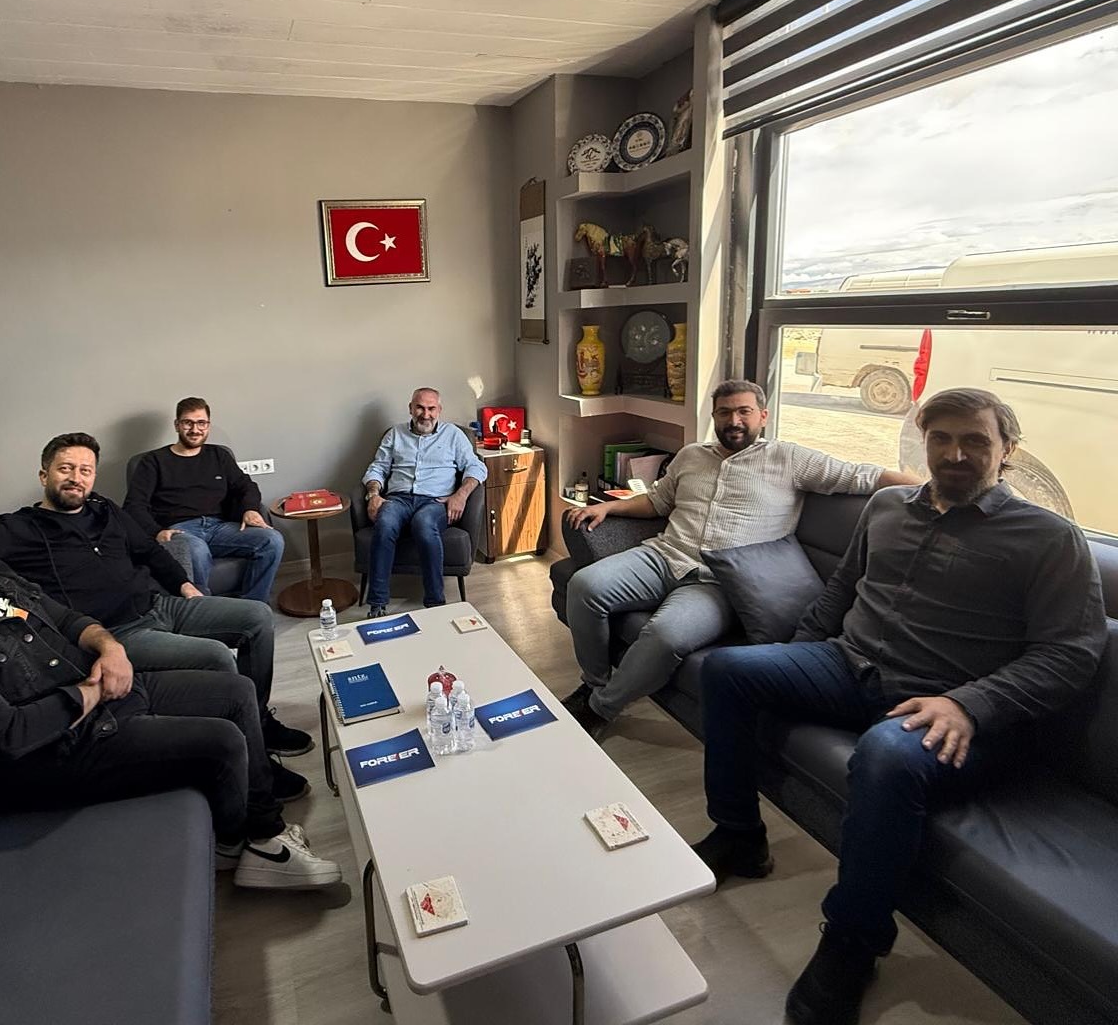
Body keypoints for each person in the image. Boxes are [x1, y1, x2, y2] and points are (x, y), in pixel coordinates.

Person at [690, 388, 1106, 1025]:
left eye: (975, 441)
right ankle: (740, 836)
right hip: (849, 666)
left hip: (952, 704)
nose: (955, 454)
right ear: (924, 443)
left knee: (885, 753)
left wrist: (971, 704)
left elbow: (1070, 654)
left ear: (1008, 451)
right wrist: (792, 659)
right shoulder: (886, 507)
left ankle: (853, 941)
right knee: (727, 669)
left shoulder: (1049, 538)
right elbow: (841, 591)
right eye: (941, 439)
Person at [0, 485, 341, 891]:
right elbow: (8, 736)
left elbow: (63, 617)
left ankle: (260, 825)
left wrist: (109, 648)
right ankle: (247, 844)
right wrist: (93, 692)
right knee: (222, 740)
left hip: (99, 692)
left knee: (234, 692)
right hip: (56, 751)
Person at [0, 433, 313, 797]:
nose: (76, 478)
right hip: (119, 632)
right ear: (44, 475)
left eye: (85, 470)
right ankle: (253, 760)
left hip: (160, 605)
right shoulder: (16, 529)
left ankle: (260, 721)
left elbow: (148, 552)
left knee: (256, 617)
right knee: (215, 657)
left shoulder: (105, 510)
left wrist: (185, 586)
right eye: (66, 468)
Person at [560, 380, 917, 739]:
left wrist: (927, 490)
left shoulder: (789, 459)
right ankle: (594, 683)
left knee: (666, 636)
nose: (734, 420)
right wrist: (609, 508)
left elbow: (863, 476)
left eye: (744, 411)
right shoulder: (690, 455)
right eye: (725, 412)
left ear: (763, 416)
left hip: (721, 582)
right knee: (585, 586)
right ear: (714, 416)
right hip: (665, 555)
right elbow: (657, 501)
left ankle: (600, 708)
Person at [124, 397, 284, 604]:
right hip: (179, 530)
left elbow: (246, 486)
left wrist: (250, 509)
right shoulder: (153, 461)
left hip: (220, 527)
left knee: (272, 540)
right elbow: (134, 505)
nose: (195, 429)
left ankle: (253, 606)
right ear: (177, 425)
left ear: (208, 425)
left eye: (201, 423)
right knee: (196, 550)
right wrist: (156, 532)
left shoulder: (219, 455)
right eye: (187, 423)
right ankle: (206, 611)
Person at [361, 387, 487, 618]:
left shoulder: (453, 435)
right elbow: (378, 467)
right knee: (385, 522)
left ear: (439, 410)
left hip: (435, 501)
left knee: (424, 524)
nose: (425, 414)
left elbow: (476, 466)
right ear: (410, 408)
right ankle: (377, 604)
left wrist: (460, 495)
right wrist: (374, 494)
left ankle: (435, 603)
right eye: (420, 407)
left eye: (431, 408)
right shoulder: (395, 434)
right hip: (398, 499)